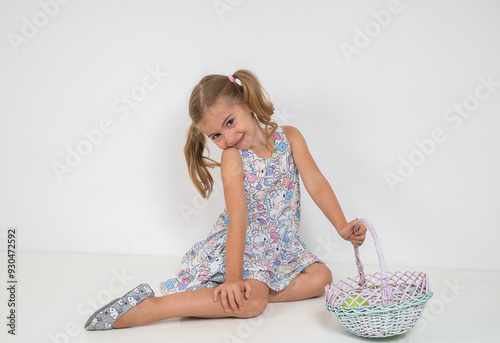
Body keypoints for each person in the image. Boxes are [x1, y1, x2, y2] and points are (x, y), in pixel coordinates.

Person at [84, 70, 367, 331]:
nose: (228, 137)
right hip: (246, 246)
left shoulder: (290, 138)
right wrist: (233, 278)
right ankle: (152, 307)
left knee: (322, 278)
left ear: (246, 103)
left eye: (230, 122)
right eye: (216, 135)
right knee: (252, 305)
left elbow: (316, 182)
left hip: (281, 246)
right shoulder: (233, 157)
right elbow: (239, 216)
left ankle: (244, 292)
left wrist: (341, 225)